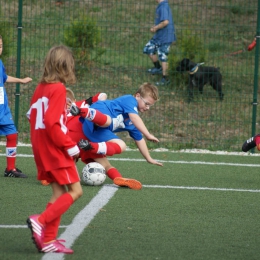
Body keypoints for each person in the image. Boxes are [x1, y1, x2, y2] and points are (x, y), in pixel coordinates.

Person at [26, 45, 83, 254]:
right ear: (66, 66)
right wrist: (70, 146)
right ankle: (40, 221)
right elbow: (51, 122)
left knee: (59, 193)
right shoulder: (58, 88)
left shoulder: (40, 87)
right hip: (55, 149)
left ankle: (48, 239)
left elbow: (31, 116)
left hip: (41, 148)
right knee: (76, 191)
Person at [72, 82, 163, 190]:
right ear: (137, 96)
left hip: (95, 133)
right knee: (107, 121)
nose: (148, 108)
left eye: (150, 106)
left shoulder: (131, 123)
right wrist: (148, 134)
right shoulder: (130, 100)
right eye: (147, 104)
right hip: (97, 112)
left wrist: (149, 158)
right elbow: (135, 117)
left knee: (117, 150)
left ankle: (119, 179)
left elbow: (139, 140)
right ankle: (82, 111)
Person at [0, 35, 32, 178]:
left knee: (12, 134)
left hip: (3, 109)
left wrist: (21, 80)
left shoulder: (0, 63)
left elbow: (4, 78)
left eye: (0, 46)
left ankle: (10, 169)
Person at [143, 0, 176, 87]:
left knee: (163, 57)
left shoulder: (164, 6)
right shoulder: (161, 6)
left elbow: (165, 22)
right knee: (148, 49)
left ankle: (165, 78)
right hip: (159, 36)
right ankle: (158, 68)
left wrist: (155, 28)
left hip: (165, 37)